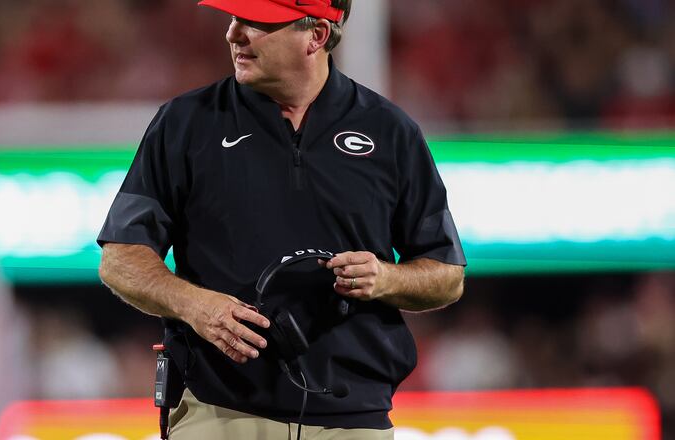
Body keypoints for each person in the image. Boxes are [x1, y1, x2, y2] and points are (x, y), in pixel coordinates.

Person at [97, 0, 466, 438]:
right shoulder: (185, 123)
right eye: (233, 18)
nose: (233, 34)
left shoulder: (390, 132)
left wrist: (386, 278)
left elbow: (446, 275)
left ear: (317, 35)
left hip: (353, 421)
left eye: (257, 22)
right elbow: (120, 257)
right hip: (219, 413)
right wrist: (194, 306)